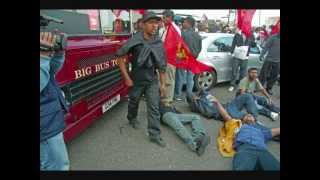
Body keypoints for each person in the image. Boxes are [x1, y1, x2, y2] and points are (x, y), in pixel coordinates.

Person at [116, 11, 167, 147]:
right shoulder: (135, 40)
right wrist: (126, 77)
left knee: (154, 107)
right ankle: (132, 118)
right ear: (143, 25)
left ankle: (154, 134)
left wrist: (163, 85)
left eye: (156, 23)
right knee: (134, 102)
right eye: (151, 23)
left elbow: (162, 65)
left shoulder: (158, 42)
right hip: (137, 80)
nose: (155, 26)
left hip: (152, 80)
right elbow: (120, 57)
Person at [211, 96, 280, 170]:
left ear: (255, 120)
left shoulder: (262, 131)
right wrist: (217, 103)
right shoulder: (237, 125)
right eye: (247, 116)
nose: (249, 115)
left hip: (262, 150)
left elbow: (276, 131)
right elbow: (225, 115)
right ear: (243, 120)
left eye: (250, 115)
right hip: (246, 149)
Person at [40, 32, 70, 170]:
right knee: (56, 166)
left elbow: (50, 72)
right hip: (44, 124)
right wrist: (43, 56)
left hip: (48, 117)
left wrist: (57, 54)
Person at [174, 16, 202, 101]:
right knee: (190, 77)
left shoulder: (183, 34)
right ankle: (189, 95)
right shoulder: (198, 35)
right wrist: (195, 55)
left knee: (180, 76)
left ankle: (178, 95)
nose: (183, 23)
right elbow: (200, 48)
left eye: (185, 22)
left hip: (183, 58)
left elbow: (179, 46)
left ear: (189, 24)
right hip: (193, 58)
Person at [186, 91, 260, 123]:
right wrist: (197, 101)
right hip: (225, 112)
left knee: (247, 96)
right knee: (237, 117)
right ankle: (252, 122)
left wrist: (201, 94)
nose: (195, 95)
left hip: (229, 105)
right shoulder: (200, 106)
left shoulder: (203, 97)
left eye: (194, 95)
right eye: (193, 96)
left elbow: (204, 91)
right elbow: (210, 113)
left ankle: (254, 118)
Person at [161, 9, 178, 107]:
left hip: (170, 58)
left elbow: (176, 45)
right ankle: (164, 98)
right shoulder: (166, 28)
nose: (162, 19)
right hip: (165, 57)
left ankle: (168, 100)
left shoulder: (174, 29)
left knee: (169, 79)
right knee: (165, 79)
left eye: (164, 17)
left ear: (169, 18)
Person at [228, 27, 250, 92]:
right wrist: (231, 52)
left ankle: (241, 85)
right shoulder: (237, 34)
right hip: (237, 55)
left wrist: (252, 39)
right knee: (234, 71)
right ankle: (232, 85)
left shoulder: (249, 34)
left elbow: (252, 44)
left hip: (245, 56)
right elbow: (233, 43)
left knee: (243, 72)